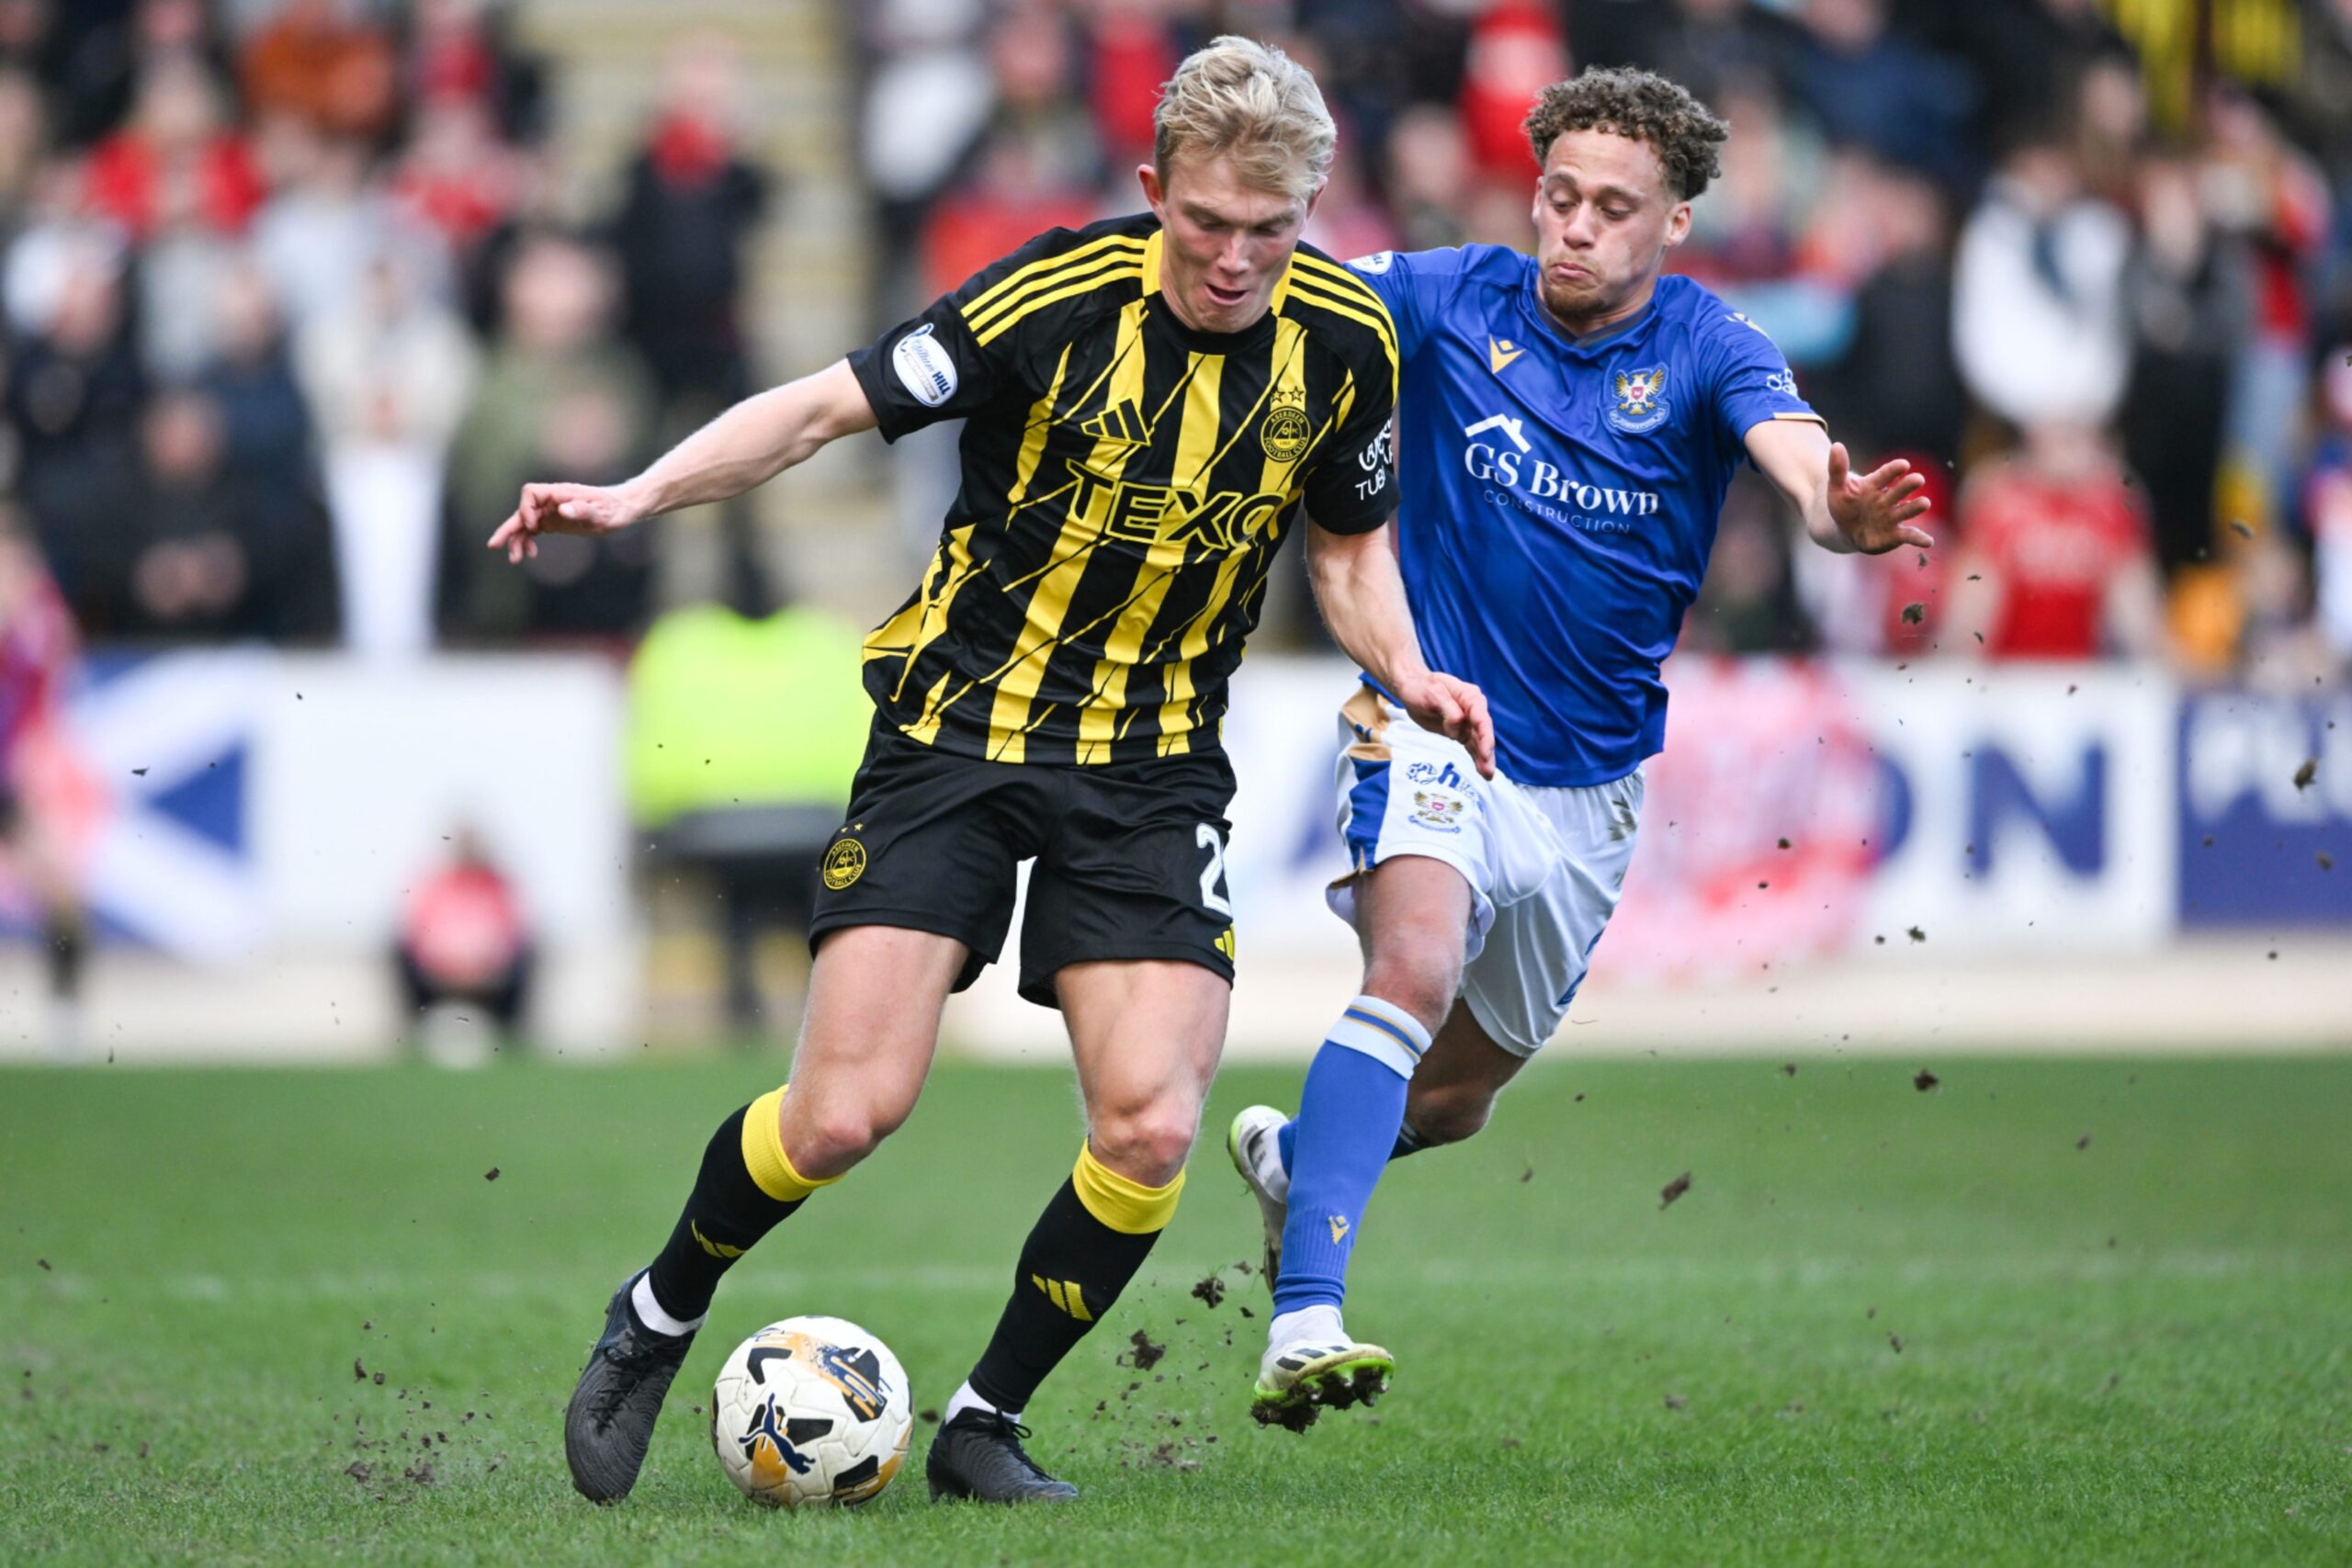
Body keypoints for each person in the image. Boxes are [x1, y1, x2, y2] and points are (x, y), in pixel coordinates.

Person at [489, 37, 1490, 1506]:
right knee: (842, 1115)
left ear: (1308, 213)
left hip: (1151, 768)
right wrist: (639, 493)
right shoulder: (1053, 295)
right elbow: (824, 407)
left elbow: (1347, 553)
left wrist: (1402, 669)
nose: (1231, 259)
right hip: (957, 731)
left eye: (1267, 232)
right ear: (1154, 190)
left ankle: (982, 1422)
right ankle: (659, 1311)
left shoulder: (1345, 341)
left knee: (1152, 1125)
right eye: (1204, 223)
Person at [1223, 67, 1931, 1429]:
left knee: (1461, 1098)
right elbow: (1295, 297)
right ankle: (1307, 1317)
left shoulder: (1714, 348)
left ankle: (1303, 1163)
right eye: (1560, 198)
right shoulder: (1449, 294)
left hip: (1592, 789)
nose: (1577, 229)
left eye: (1615, 208)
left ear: (1673, 223)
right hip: (1432, 717)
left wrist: (1833, 513)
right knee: (1413, 968)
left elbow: (1793, 453)